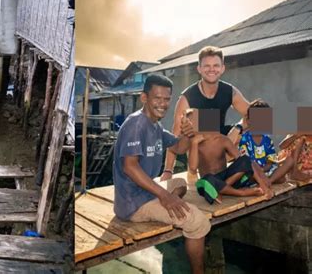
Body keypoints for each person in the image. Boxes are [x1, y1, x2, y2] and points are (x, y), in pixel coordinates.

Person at [113, 74, 210, 274]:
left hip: (146, 193)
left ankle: (167, 209)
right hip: (134, 204)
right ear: (144, 98)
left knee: (180, 182)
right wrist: (164, 196)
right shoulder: (136, 124)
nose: (163, 104)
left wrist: (186, 132)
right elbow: (130, 167)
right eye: (157, 98)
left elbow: (179, 147)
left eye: (167, 99)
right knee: (199, 222)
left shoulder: (156, 126)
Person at [163, 46, 250, 181]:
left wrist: (239, 127)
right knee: (196, 123)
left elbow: (256, 115)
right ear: (199, 69)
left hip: (220, 142)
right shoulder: (187, 97)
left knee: (248, 125)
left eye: (216, 65)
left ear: (222, 68)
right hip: (199, 147)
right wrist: (168, 170)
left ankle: (239, 165)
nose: (211, 69)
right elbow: (175, 136)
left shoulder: (229, 91)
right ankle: (194, 172)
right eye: (207, 66)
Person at [186, 109, 272, 203]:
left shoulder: (222, 139)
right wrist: (194, 143)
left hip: (229, 180)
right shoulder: (193, 143)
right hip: (210, 182)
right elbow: (193, 168)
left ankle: (222, 189)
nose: (191, 126)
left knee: (246, 159)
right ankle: (241, 193)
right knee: (204, 182)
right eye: (189, 124)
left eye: (194, 122)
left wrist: (263, 185)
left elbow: (245, 161)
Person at [238, 99, 311, 184]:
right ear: (248, 121)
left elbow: (270, 161)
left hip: (265, 170)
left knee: (286, 166)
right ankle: (266, 180)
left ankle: (269, 181)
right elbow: (246, 162)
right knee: (247, 175)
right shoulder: (244, 139)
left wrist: (265, 169)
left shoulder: (267, 140)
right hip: (251, 172)